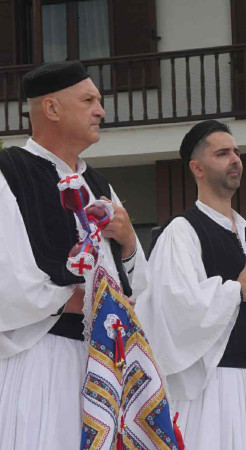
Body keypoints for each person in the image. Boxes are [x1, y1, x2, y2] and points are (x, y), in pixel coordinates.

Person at [135, 120, 246, 449]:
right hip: (214, 389)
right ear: (197, 168)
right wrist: (235, 292)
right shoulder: (182, 232)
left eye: (236, 152)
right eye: (222, 153)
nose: (234, 160)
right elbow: (172, 306)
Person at [0, 61, 148, 449]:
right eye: (88, 101)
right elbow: (5, 277)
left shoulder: (98, 184)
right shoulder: (9, 172)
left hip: (104, 363)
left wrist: (129, 241)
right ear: (52, 108)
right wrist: (77, 299)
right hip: (41, 359)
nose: (101, 110)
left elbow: (137, 287)